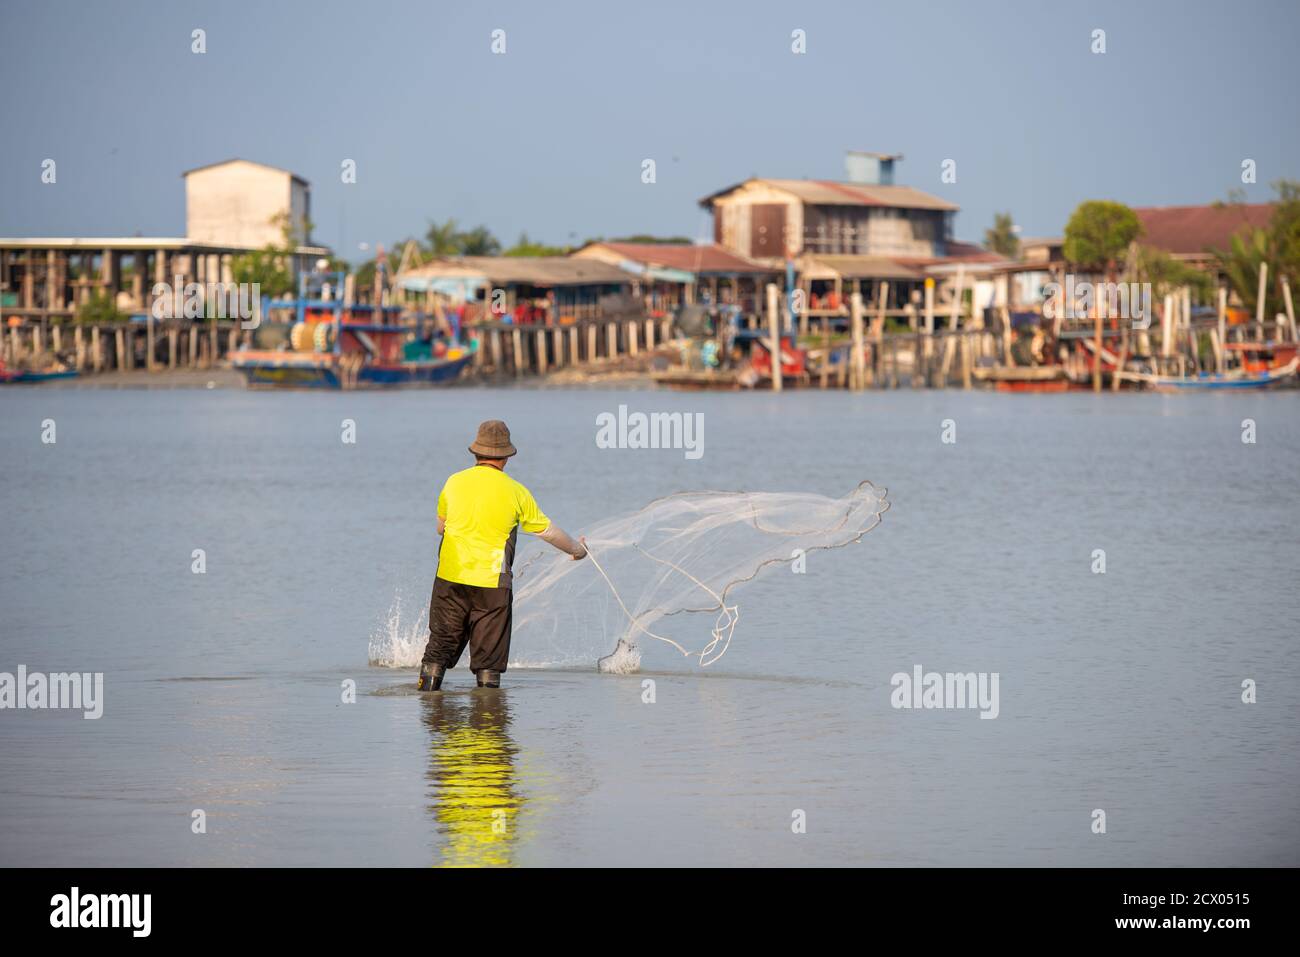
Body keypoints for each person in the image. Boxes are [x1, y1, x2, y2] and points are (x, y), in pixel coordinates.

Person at [418, 420, 587, 691]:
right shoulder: (516, 491)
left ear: (475, 452)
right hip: (492, 584)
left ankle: (428, 705)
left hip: (450, 577)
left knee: (439, 647)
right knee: (489, 661)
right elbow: (548, 532)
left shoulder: (453, 482)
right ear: (506, 457)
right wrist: (578, 551)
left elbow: (441, 528)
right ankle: (487, 720)